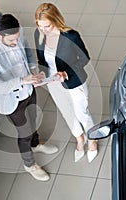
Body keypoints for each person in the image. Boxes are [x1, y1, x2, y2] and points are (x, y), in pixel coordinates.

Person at [0, 14, 58, 181]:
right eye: (11, 41)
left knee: (34, 117)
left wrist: (33, 70)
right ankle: (29, 164)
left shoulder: (17, 34)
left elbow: (27, 51)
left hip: (29, 89)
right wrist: (22, 80)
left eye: (17, 38)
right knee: (24, 133)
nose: (15, 42)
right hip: (13, 101)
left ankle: (36, 144)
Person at [34, 3, 98, 163]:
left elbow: (84, 58)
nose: (44, 30)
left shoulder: (71, 36)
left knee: (81, 113)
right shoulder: (39, 34)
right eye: (40, 26)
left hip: (73, 81)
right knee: (67, 113)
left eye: (47, 26)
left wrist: (66, 73)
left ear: (55, 20)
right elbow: (41, 60)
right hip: (53, 83)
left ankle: (92, 139)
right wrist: (41, 73)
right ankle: (80, 139)